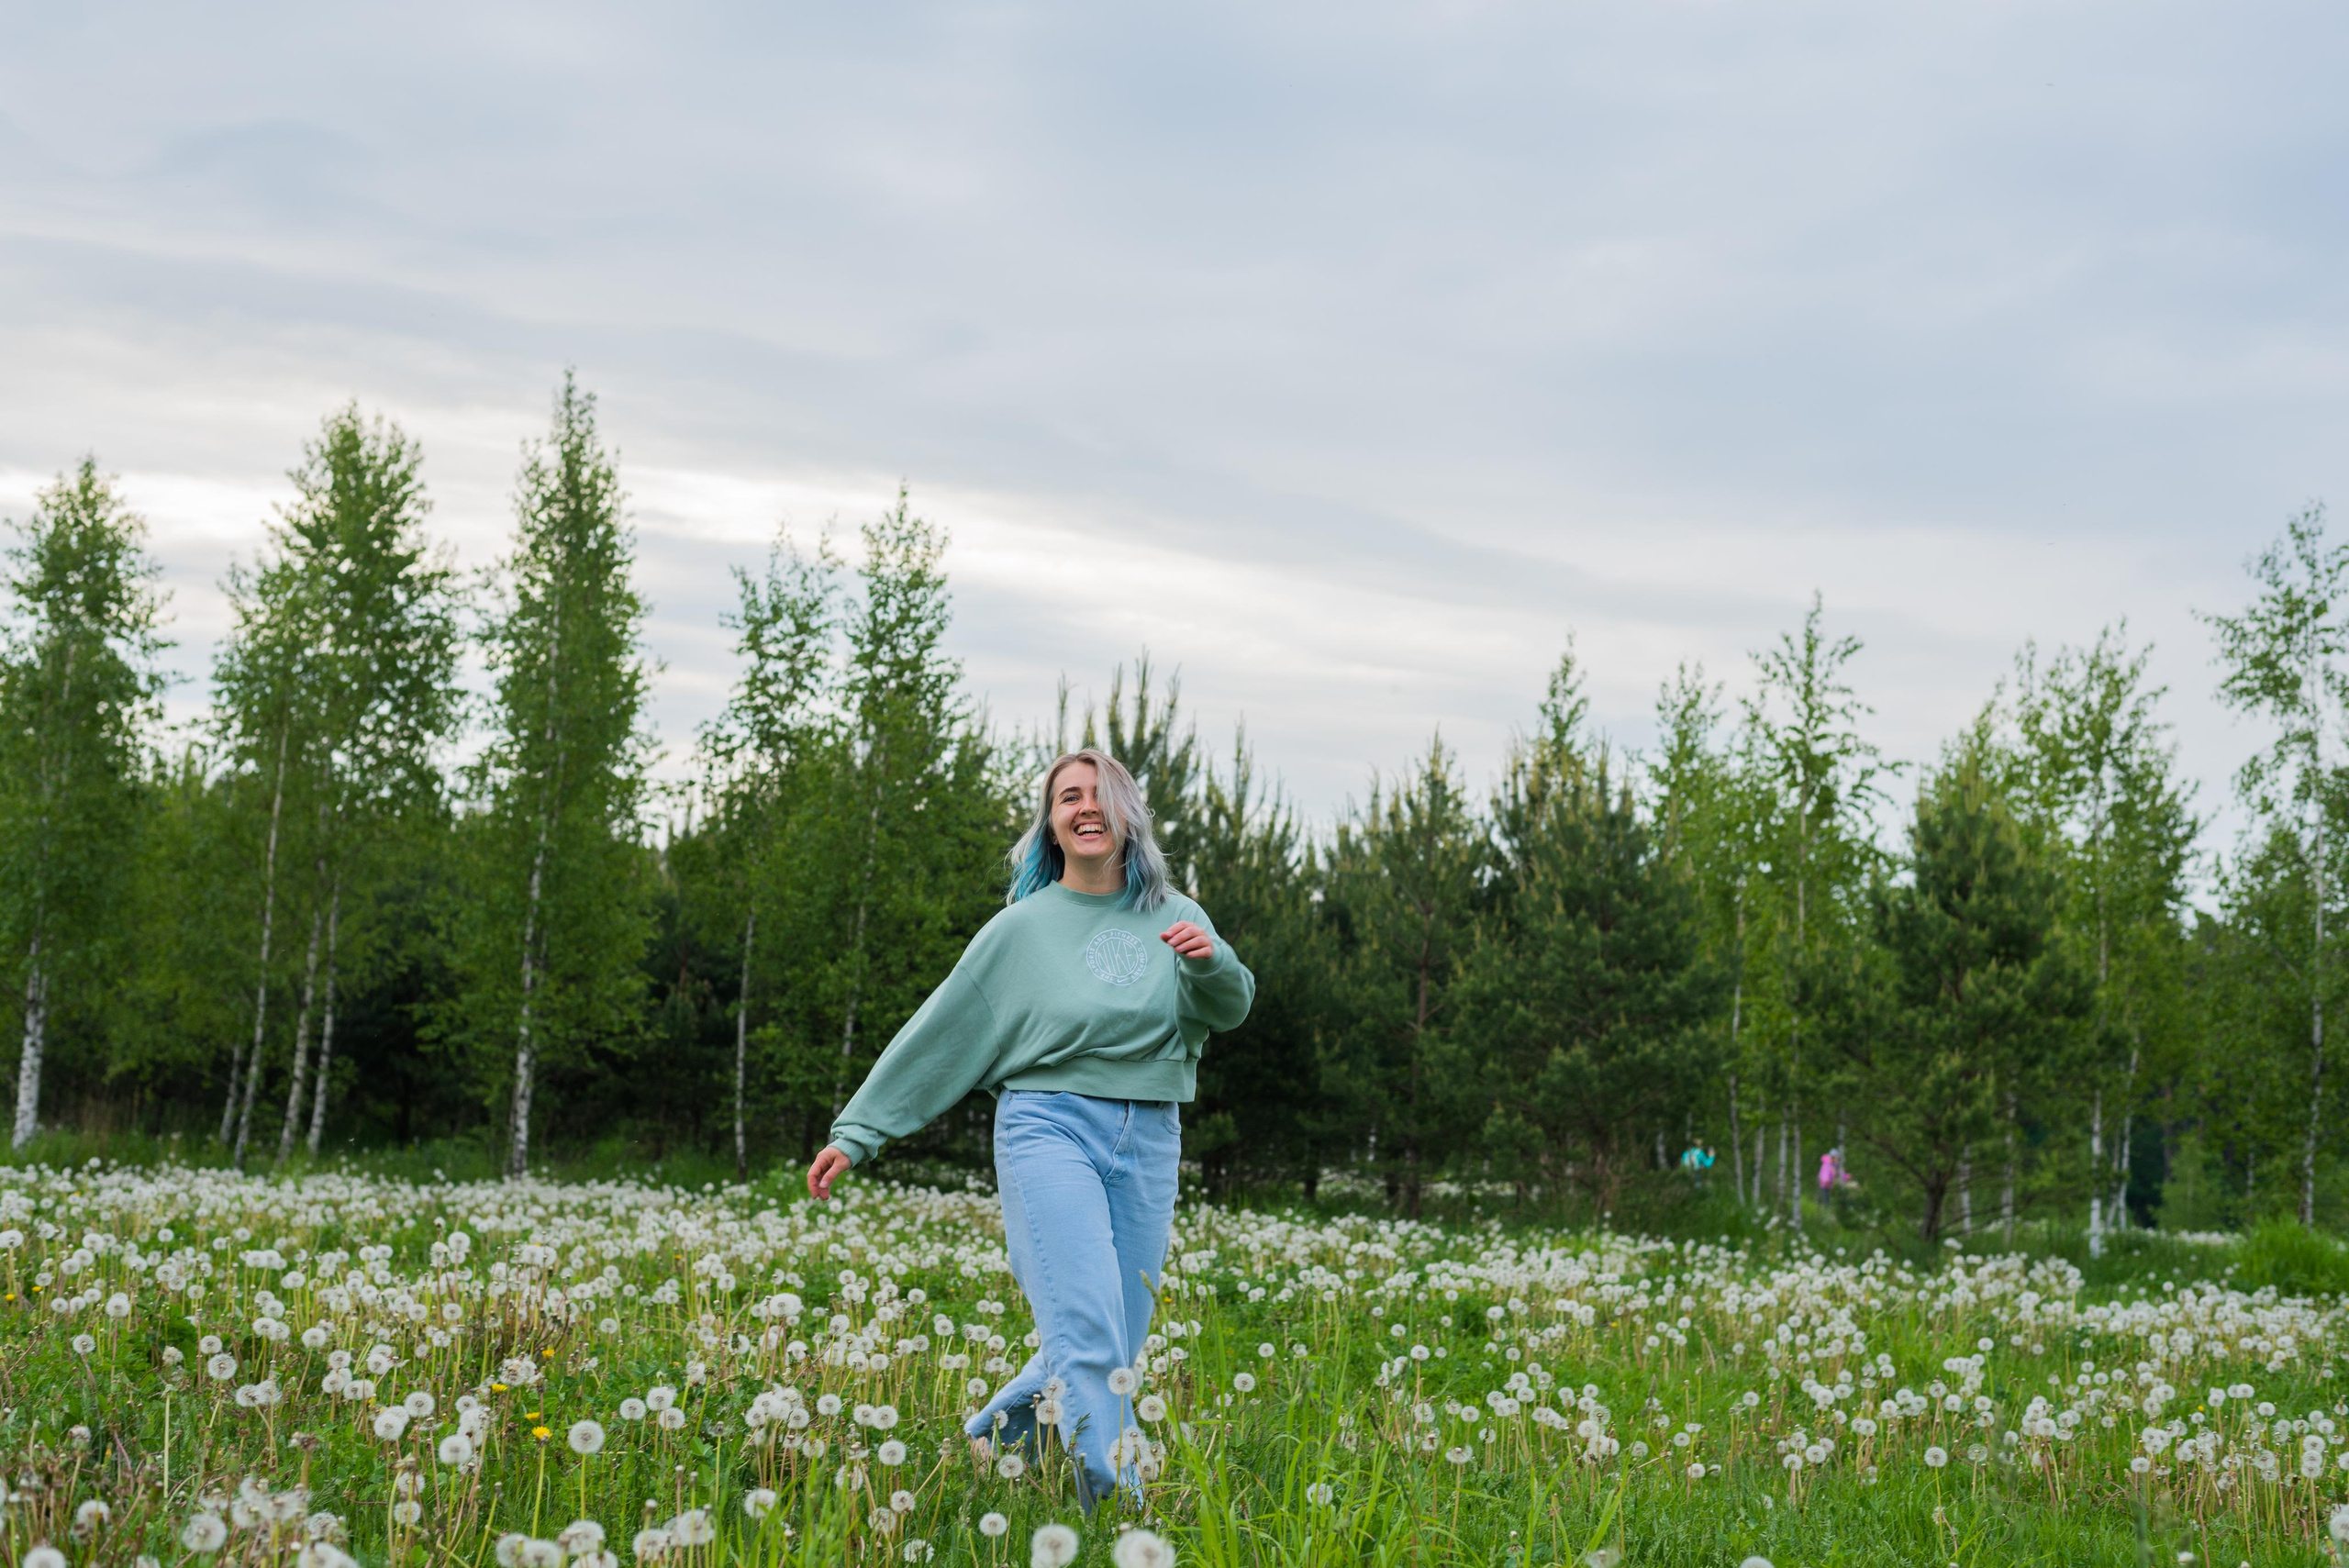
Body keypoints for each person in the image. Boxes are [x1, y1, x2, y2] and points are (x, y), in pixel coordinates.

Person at [805, 748, 1255, 1509]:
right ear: (1051, 823)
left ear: (1128, 816)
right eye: (1067, 797)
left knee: (1118, 1336)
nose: (1086, 807)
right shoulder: (1020, 930)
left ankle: (997, 1433)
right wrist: (860, 1129)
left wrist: (1212, 962)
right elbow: (940, 1031)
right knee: (1086, 1327)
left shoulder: (1177, 914)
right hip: (1047, 1126)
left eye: (1101, 795)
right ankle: (1121, 1509)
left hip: (1150, 1133)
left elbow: (1232, 1004)